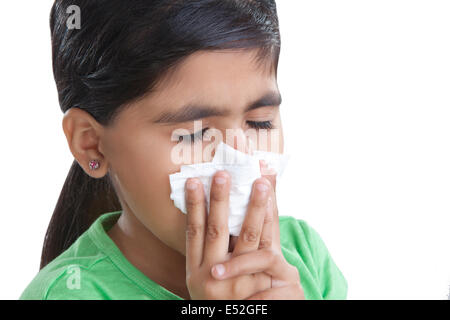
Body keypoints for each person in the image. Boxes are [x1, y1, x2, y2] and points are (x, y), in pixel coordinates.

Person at [20, 0, 347, 300]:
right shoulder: (68, 293)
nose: (241, 161)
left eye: (260, 123)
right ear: (91, 144)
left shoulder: (304, 256)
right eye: (193, 135)